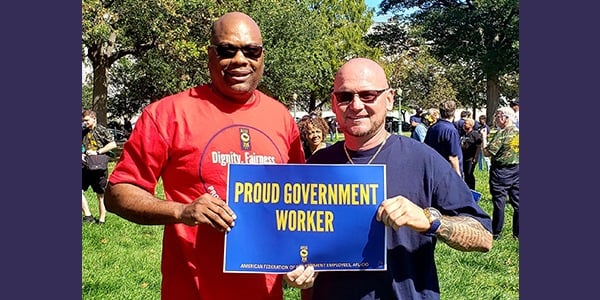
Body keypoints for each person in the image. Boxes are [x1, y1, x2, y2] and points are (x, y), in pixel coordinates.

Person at [104, 12, 315, 299]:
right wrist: (182, 211)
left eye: (251, 51)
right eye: (227, 50)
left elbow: (297, 203)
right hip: (191, 290)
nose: (241, 60)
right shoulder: (166, 115)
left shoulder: (281, 118)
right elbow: (118, 194)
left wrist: (298, 260)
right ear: (210, 55)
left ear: (262, 55)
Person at [304, 58, 492, 300]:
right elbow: (300, 248)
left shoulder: (423, 159)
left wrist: (429, 220)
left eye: (368, 95)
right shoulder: (317, 166)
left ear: (389, 99)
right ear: (333, 102)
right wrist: (298, 273)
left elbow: (484, 237)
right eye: (345, 96)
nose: (356, 105)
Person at [480, 106, 519, 240]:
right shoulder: (518, 132)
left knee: (499, 203)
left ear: (505, 118)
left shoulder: (502, 134)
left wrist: (484, 137)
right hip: (517, 170)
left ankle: (496, 232)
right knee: (518, 203)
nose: (496, 119)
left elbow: (486, 152)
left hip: (500, 172)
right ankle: (518, 233)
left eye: (497, 116)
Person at [82, 109, 117, 224]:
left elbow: (113, 144)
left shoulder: (102, 130)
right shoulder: (83, 131)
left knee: (100, 194)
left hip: (98, 166)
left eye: (87, 120)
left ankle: (101, 221)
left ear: (94, 119)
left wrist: (98, 152)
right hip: (86, 166)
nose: (85, 122)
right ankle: (88, 216)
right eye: (83, 120)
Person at [424, 100, 463, 177]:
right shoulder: (451, 130)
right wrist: (458, 177)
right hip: (448, 173)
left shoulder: (432, 128)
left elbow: (426, 148)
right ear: (454, 111)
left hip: (435, 170)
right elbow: (453, 157)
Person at [460, 118, 482, 189]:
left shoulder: (475, 134)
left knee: (469, 174)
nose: (464, 125)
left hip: (470, 158)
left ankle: (471, 189)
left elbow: (478, 147)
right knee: (464, 174)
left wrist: (475, 157)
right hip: (463, 157)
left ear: (471, 125)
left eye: (466, 123)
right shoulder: (463, 134)